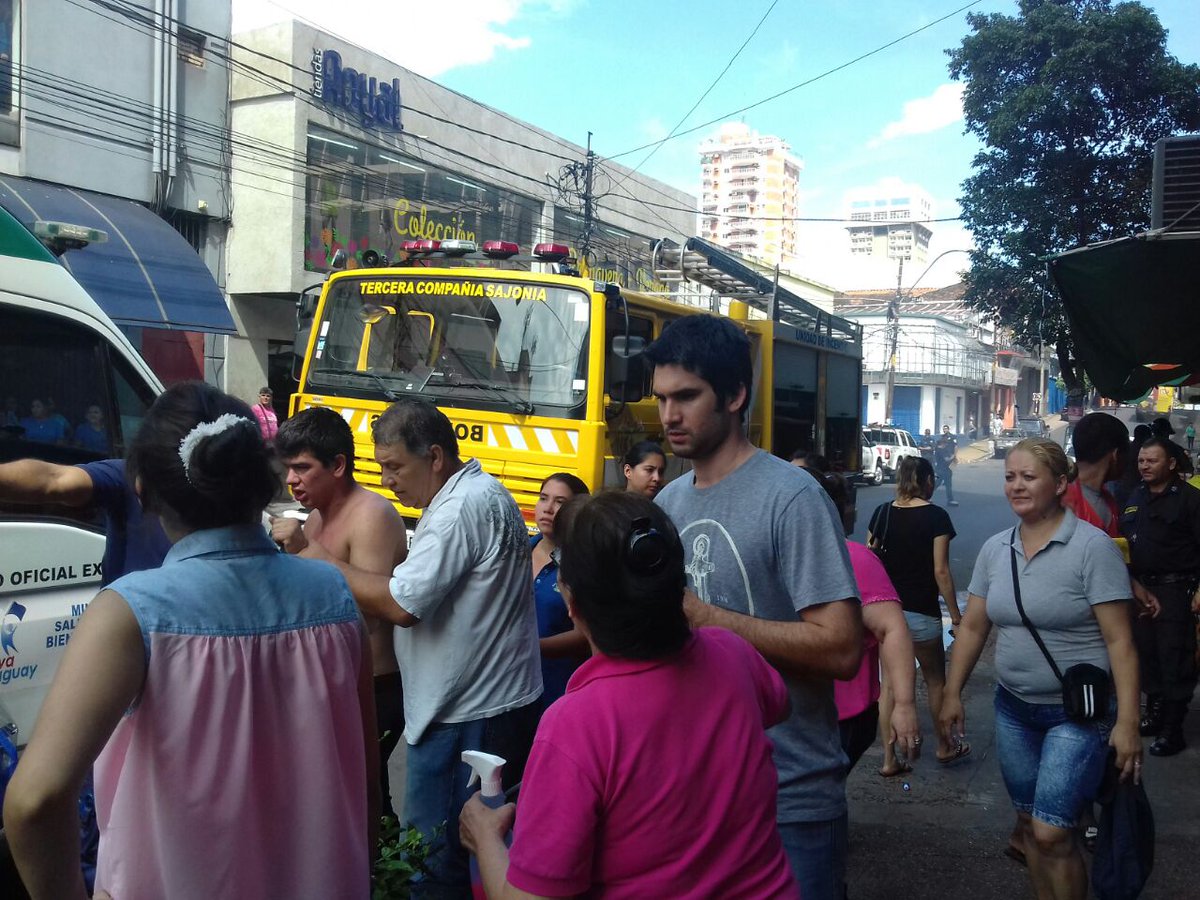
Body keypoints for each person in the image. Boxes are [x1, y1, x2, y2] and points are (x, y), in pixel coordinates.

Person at [3, 382, 378, 899]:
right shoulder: (335, 597)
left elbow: (34, 802)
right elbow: (364, 784)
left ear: (140, 490)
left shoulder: (131, 612)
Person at [458, 491, 799, 899]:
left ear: (572, 603)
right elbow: (778, 705)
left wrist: (485, 839)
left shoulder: (576, 725)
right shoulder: (733, 653)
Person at [646, 314, 862, 900]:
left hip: (790, 798)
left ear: (736, 395)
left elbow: (843, 647)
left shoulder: (791, 498)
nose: (669, 415)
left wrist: (711, 619)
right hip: (695, 797)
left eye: (687, 397)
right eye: (662, 398)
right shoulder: (667, 501)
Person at [319, 398, 542, 897]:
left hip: (464, 715)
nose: (388, 480)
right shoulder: (481, 492)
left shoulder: (459, 509)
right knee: (474, 853)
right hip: (485, 703)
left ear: (436, 457)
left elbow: (402, 604)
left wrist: (319, 560)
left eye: (396, 467)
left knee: (432, 862)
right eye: (381, 468)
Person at [941, 438, 1141, 900]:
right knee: (1030, 824)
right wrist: (952, 692)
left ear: (1061, 483)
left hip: (1077, 716)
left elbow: (1121, 642)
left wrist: (1128, 723)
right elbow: (972, 628)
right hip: (1014, 711)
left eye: (1029, 477)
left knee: (1053, 832)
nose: (1016, 486)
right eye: (1010, 476)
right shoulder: (996, 549)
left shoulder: (1093, 549)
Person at [268, 406, 409, 817]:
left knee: (364, 796)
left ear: (338, 466)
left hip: (374, 685)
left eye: (302, 468)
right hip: (328, 682)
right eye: (288, 469)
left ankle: (380, 879)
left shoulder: (373, 515)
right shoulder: (312, 520)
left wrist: (302, 551)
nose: (291, 480)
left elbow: (370, 613)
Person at [867, 456, 965, 776]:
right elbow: (941, 571)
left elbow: (870, 560)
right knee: (935, 681)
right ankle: (944, 746)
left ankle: (889, 759)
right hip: (922, 613)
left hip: (887, 614)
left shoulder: (882, 513)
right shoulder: (936, 517)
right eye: (931, 478)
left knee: (891, 689)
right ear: (924, 481)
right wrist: (956, 616)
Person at [818, 470, 920, 771]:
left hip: (842, 719)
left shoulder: (855, 559)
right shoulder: (779, 555)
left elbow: (891, 628)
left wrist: (904, 706)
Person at [1119, 436, 1200, 757]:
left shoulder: (1190, 500)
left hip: (1175, 589)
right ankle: (1153, 716)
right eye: (1141, 460)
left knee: (1174, 658)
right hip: (1139, 588)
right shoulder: (1134, 495)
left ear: (1171, 463)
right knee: (1145, 655)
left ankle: (1173, 729)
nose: (1144, 466)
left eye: (1152, 461)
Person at [530, 473, 591, 708]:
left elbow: (584, 634)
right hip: (510, 690)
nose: (548, 508)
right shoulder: (518, 552)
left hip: (559, 690)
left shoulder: (581, 562)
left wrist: (529, 647)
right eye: (543, 498)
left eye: (560, 502)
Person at [933, 424, 959, 506]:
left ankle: (950, 500)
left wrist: (954, 456)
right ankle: (926, 496)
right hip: (943, 469)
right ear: (942, 443)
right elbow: (946, 459)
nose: (946, 444)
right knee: (940, 484)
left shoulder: (952, 438)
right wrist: (952, 457)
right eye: (945, 443)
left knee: (945, 484)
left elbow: (955, 447)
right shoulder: (941, 450)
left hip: (944, 468)